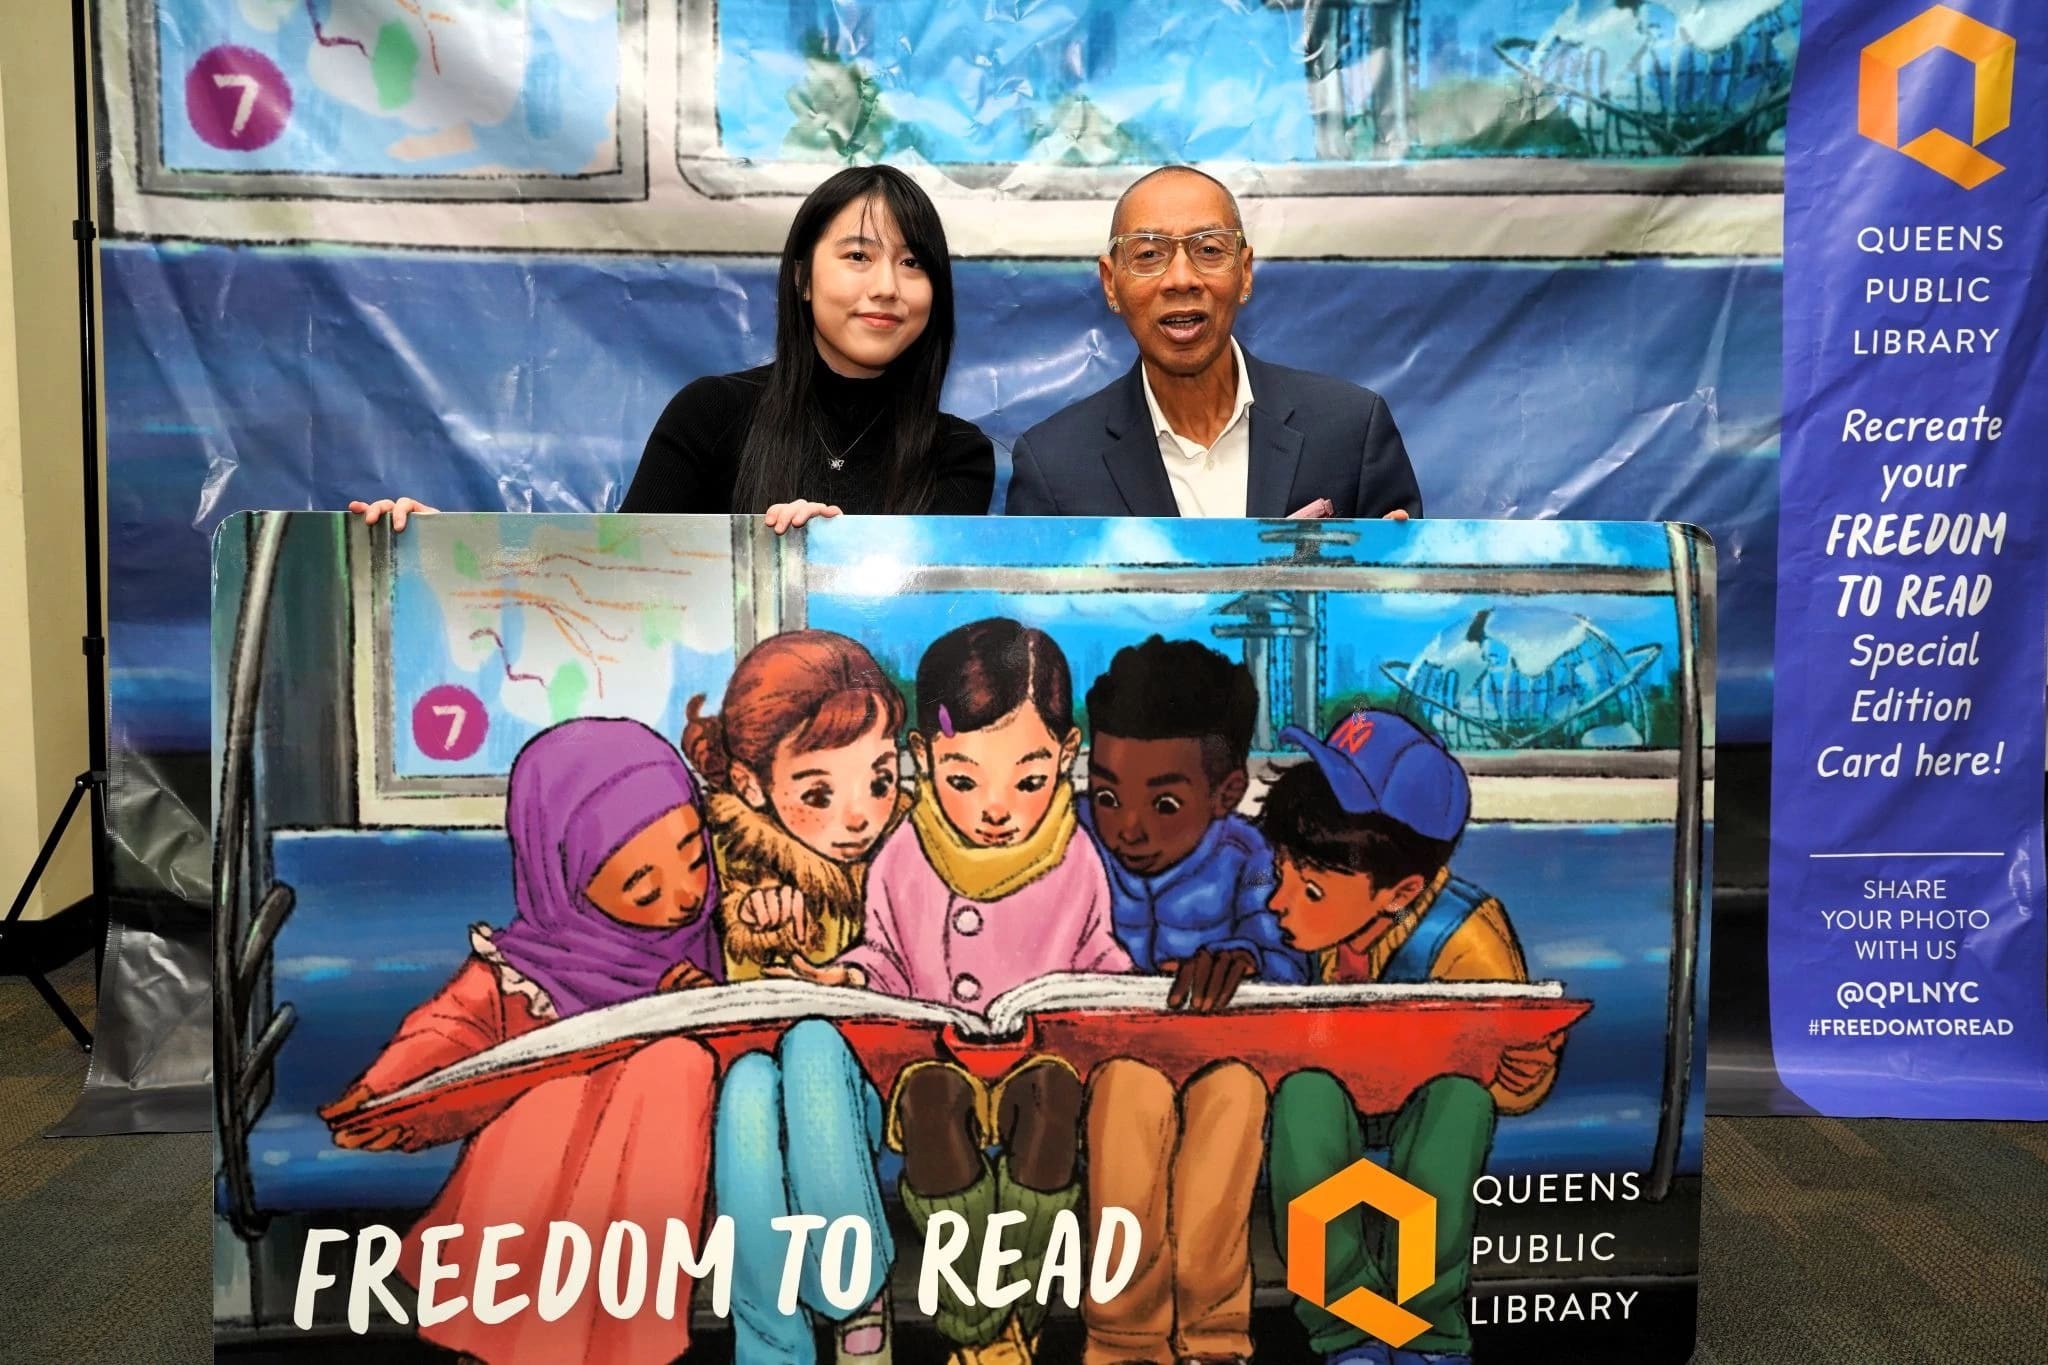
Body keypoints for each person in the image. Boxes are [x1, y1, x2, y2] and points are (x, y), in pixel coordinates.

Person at [779, 617, 1132, 1365]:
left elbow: (1097, 953)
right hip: (936, 1060)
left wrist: (1114, 992)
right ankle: (978, 1329)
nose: (995, 809)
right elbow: (883, 956)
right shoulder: (904, 853)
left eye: (1029, 779)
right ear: (922, 759)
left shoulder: (1075, 857)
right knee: (930, 1110)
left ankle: (1017, 1317)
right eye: (963, 779)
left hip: (1038, 1059)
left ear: (1068, 755)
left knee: (1052, 1108)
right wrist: (843, 975)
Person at [317, 717, 724, 1365]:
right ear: (567, 881)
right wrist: (386, 1091)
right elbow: (452, 1027)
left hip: (657, 1181)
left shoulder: (721, 937)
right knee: (548, 1097)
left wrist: (705, 1008)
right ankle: (504, 1337)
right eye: (641, 886)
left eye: (696, 859)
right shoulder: (527, 969)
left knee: (674, 1064)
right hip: (552, 1176)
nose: (683, 897)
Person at [351, 164, 993, 534]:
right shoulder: (711, 414)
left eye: (913, 263)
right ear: (802, 277)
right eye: (858, 256)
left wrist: (828, 564)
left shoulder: (958, 455)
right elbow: (614, 582)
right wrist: (441, 551)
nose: (886, 287)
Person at [1259, 710, 1564, 1365]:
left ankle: (1425, 1330)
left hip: (1420, 1101)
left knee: (1461, 1104)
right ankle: (1348, 1327)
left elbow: (1515, 1077)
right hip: (1332, 1090)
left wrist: (1522, 1069)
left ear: (1401, 891)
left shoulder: (1468, 939)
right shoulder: (1292, 929)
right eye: (1281, 867)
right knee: (1303, 1100)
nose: (1279, 901)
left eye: (1309, 886)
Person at [1075, 635, 1305, 1365]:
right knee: (1128, 1095)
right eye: (1107, 794)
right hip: (1109, 1062)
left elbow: (1291, 966)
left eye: (1165, 802)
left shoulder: (1247, 856)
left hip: (1218, 1058)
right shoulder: (1073, 834)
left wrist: (1247, 960)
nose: (1129, 827)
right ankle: (1124, 1342)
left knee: (1235, 1099)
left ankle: (1214, 1341)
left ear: (1228, 791)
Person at [683, 630, 911, 1365]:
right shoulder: (717, 856)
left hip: (872, 1083)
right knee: (748, 1092)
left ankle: (854, 1295)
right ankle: (771, 1340)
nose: (859, 815)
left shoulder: (911, 849)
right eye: (818, 792)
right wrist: (744, 929)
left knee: (815, 1042)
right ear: (752, 785)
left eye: (879, 778)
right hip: (743, 1073)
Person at [1004, 165, 1420, 520]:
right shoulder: (1055, 466)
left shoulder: (1350, 429)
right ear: (1111, 283)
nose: (1182, 279)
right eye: (1149, 254)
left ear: (1245, 272)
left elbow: (1407, 601)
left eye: (1208, 249)